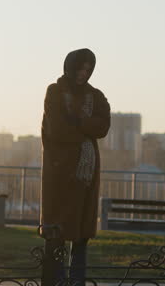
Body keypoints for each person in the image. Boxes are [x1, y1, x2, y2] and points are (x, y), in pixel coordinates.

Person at [41, 48, 111, 285]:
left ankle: (76, 281)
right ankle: (55, 280)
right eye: (80, 68)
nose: (83, 73)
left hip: (86, 174)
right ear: (69, 67)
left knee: (81, 232)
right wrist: (85, 130)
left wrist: (78, 121)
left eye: (88, 69)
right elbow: (56, 129)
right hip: (60, 171)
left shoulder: (96, 96)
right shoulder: (55, 92)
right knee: (57, 230)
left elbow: (103, 127)